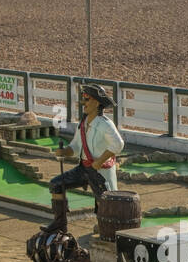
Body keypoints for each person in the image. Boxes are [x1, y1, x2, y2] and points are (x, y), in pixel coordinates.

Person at [42, 84, 125, 233]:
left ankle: (107, 229)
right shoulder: (83, 123)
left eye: (87, 99)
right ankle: (60, 223)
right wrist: (64, 151)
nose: (84, 103)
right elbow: (76, 147)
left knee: (105, 202)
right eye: (83, 100)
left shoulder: (105, 124)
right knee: (56, 185)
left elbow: (118, 144)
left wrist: (99, 161)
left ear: (97, 102)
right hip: (84, 168)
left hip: (100, 171)